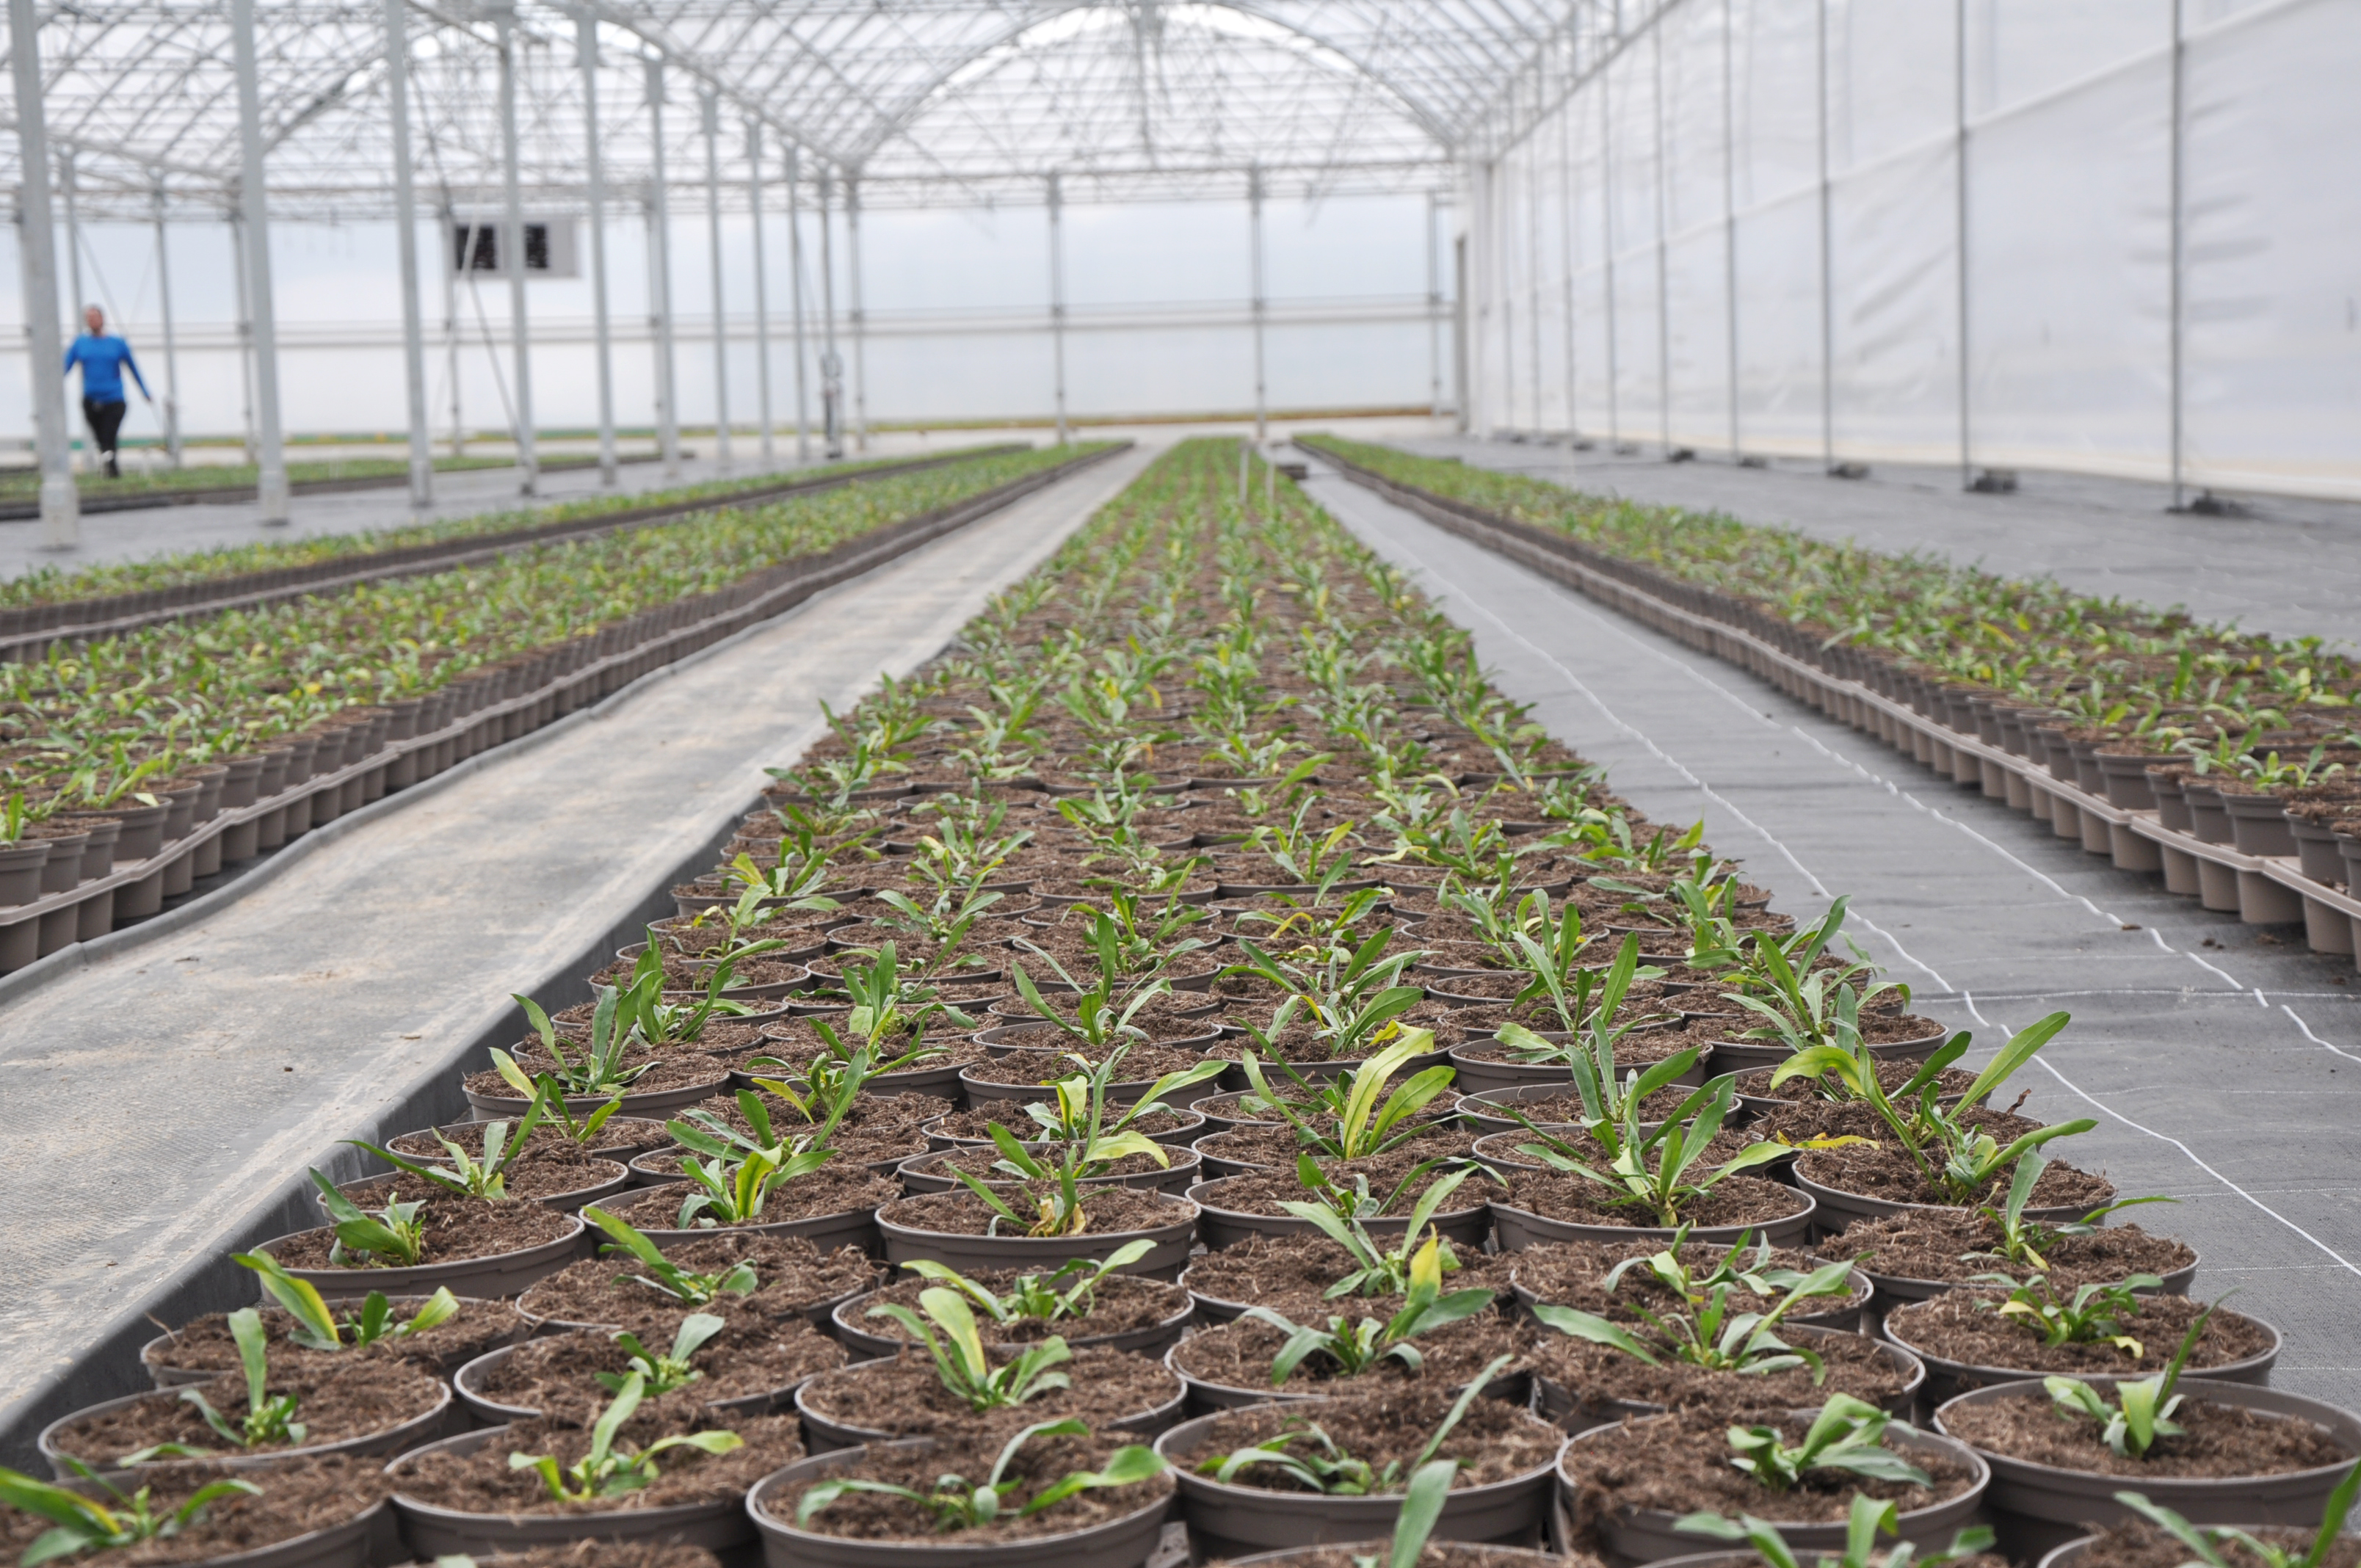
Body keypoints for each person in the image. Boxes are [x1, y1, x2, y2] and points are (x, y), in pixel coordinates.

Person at [62, 305, 150, 479]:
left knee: (109, 435)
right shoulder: (80, 344)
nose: (92, 321)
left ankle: (112, 472)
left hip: (114, 399)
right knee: (101, 439)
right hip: (91, 399)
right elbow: (65, 367)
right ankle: (110, 471)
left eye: (95, 317)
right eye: (89, 318)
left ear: (103, 319)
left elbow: (133, 368)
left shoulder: (117, 344)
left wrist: (145, 391)